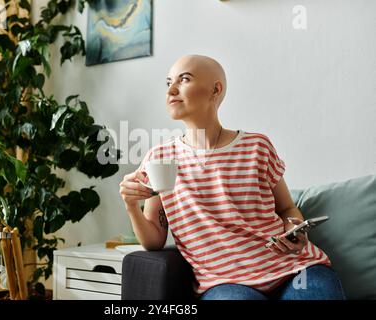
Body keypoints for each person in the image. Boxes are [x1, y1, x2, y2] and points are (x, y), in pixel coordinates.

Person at [118, 54, 346, 300]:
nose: (171, 90)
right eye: (168, 82)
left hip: (295, 268)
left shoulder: (257, 146)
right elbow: (154, 241)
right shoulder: (159, 158)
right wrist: (131, 205)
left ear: (216, 90)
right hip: (225, 283)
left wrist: (294, 230)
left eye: (184, 80)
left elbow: (287, 208)